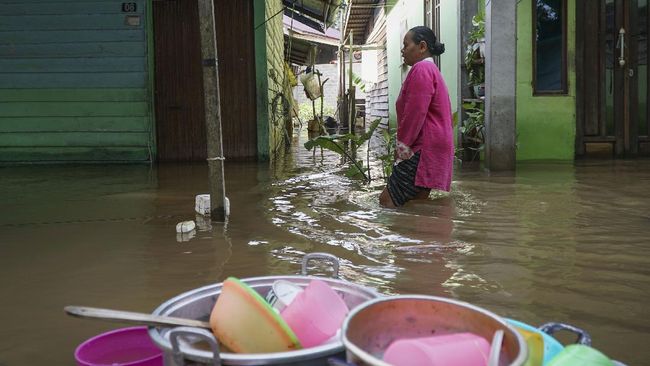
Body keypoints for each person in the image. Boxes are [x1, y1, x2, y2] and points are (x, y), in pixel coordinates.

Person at [379, 26, 454, 208]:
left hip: (423, 147)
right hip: (436, 145)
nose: (402, 50)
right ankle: (425, 235)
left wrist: (403, 146)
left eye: (406, 45)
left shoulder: (421, 69)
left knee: (387, 201)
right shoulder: (431, 70)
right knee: (417, 203)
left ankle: (409, 235)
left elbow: (415, 112)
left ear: (422, 46)